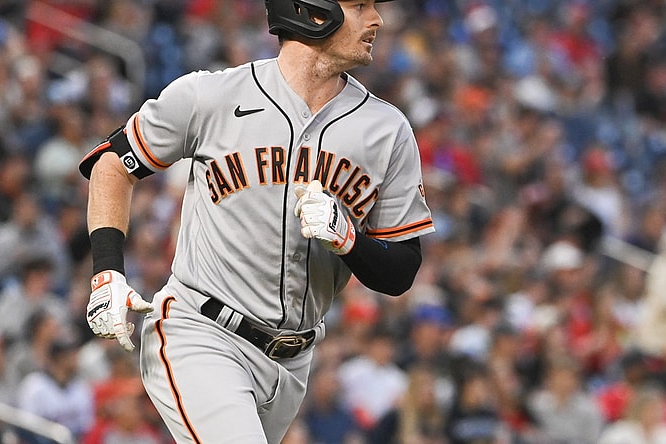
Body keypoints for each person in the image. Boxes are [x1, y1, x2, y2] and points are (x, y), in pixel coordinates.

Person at [78, 1, 434, 443]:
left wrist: (348, 240)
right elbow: (113, 163)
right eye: (360, 5)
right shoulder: (213, 95)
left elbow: (402, 270)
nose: (377, 19)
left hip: (293, 361)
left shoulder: (387, 129)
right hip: (201, 331)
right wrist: (107, 271)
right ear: (311, 9)